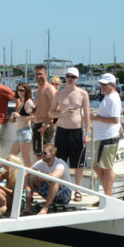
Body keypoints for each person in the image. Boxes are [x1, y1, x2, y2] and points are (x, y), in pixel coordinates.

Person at [50, 66, 91, 195]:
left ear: (77, 78)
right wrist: (62, 113)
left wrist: (87, 133)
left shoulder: (83, 93)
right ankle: (62, 187)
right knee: (60, 162)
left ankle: (77, 189)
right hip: (62, 130)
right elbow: (51, 113)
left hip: (77, 131)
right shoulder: (59, 93)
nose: (70, 79)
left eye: (72, 77)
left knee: (78, 163)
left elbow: (87, 115)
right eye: (68, 76)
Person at [93, 73, 124, 197]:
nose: (102, 87)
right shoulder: (109, 97)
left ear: (112, 85)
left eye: (104, 85)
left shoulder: (112, 98)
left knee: (105, 168)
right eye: (101, 84)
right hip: (103, 137)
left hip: (107, 137)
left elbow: (115, 119)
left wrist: (96, 117)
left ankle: (107, 196)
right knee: (99, 167)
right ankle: (106, 195)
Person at [26, 142, 71, 214]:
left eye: (45, 153)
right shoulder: (41, 162)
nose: (42, 155)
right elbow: (27, 172)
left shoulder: (60, 163)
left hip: (64, 195)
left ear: (53, 154)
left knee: (54, 180)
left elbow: (53, 177)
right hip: (50, 192)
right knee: (31, 177)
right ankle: (28, 207)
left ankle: (45, 208)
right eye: (41, 153)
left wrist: (41, 177)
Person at [8, 82, 36, 167]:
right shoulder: (22, 101)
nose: (19, 92)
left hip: (25, 131)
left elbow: (34, 117)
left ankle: (29, 177)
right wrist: (15, 118)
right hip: (19, 132)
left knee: (25, 157)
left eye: (22, 90)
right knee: (11, 155)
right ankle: (15, 175)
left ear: (26, 91)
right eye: (18, 90)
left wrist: (19, 117)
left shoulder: (28, 102)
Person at [30, 64, 56, 153]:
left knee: (46, 155)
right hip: (36, 124)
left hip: (45, 126)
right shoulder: (38, 89)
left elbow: (56, 107)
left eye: (40, 74)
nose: (38, 76)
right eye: (36, 74)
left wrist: (45, 124)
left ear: (46, 75)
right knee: (37, 154)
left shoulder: (49, 89)